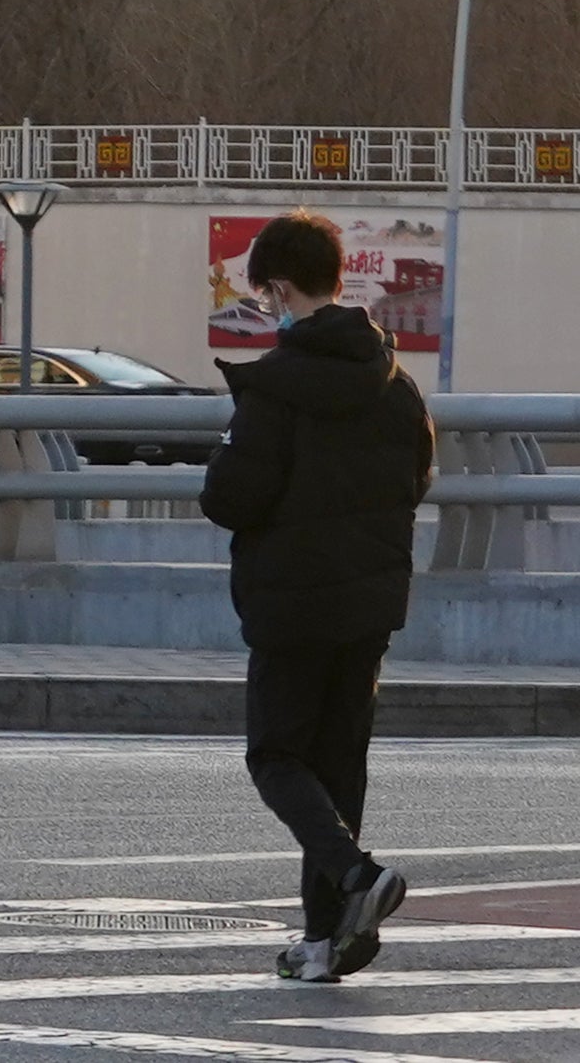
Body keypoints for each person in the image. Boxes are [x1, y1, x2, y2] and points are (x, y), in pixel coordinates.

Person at [202, 210, 436, 984]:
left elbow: (231, 497)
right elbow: (418, 479)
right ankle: (327, 939)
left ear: (276, 287)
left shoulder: (273, 389)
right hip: (370, 604)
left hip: (291, 599)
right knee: (338, 766)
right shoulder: (396, 385)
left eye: (263, 290)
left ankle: (358, 877)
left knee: (276, 754)